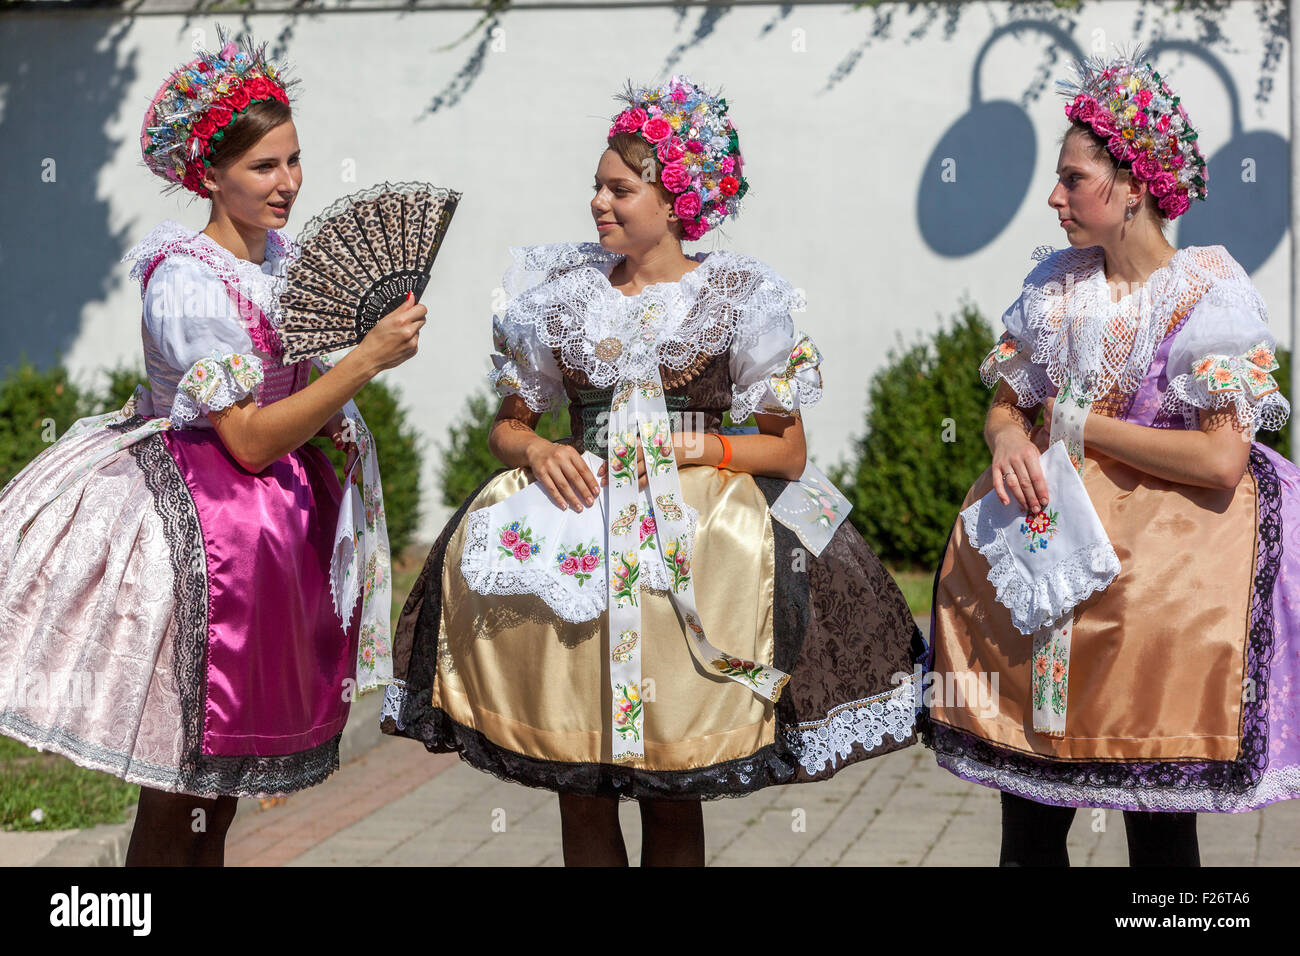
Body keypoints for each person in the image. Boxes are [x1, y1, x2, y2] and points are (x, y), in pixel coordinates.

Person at [381, 75, 924, 866]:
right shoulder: (555, 297)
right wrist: (537, 450)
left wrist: (692, 446)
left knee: (675, 776)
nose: (600, 202)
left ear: (676, 202)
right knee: (581, 782)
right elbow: (510, 426)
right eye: (597, 187)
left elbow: (787, 450)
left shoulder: (736, 296)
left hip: (695, 555)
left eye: (621, 189)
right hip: (574, 543)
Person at [0, 28, 426, 866]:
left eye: (294, 161)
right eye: (264, 167)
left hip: (272, 529)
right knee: (183, 777)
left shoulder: (285, 261)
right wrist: (365, 363)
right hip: (197, 528)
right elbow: (250, 440)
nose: (289, 184)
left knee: (220, 791)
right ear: (210, 174)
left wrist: (331, 393)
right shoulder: (186, 280)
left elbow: (288, 402)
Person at [924, 48, 1300, 866]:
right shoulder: (1057, 285)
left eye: (1073, 178)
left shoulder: (1208, 290)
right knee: (1030, 813)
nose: (1054, 197)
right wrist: (1006, 434)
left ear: (1133, 186)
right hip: (1043, 564)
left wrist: (1080, 427)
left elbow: (1221, 462)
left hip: (1161, 580)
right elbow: (1007, 401)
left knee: (1156, 818)